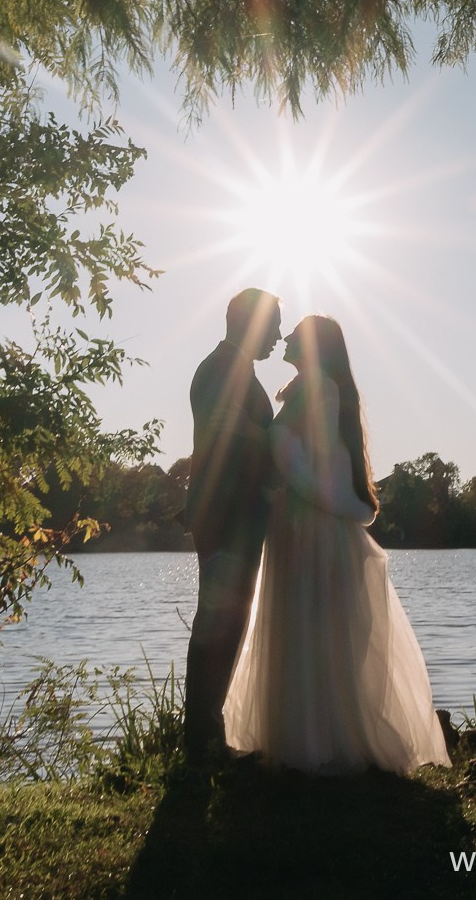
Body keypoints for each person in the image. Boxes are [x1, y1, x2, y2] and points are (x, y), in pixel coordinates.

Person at [223, 314, 450, 773]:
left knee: (309, 626)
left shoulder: (316, 386)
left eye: (293, 332)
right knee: (313, 627)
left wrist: (261, 438)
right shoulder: (318, 386)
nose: (284, 336)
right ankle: (313, 737)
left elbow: (300, 456)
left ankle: (313, 742)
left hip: (309, 525)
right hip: (306, 521)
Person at [180, 287, 281, 765]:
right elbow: (232, 438)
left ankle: (206, 735)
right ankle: (201, 740)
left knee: (227, 620)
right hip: (225, 514)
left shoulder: (235, 369)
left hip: (234, 514)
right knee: (218, 621)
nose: (279, 337)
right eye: (275, 325)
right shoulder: (223, 370)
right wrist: (277, 439)